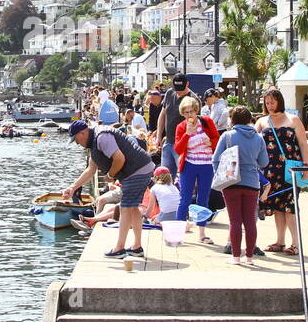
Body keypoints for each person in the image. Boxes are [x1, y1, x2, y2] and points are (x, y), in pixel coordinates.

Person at [64, 120, 155, 259]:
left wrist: (110, 175)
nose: (77, 143)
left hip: (137, 170)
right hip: (141, 169)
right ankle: (136, 247)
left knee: (125, 208)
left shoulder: (102, 137)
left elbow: (119, 158)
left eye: (76, 139)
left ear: (82, 133)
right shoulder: (94, 143)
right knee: (133, 208)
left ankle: (119, 248)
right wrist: (72, 188)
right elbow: (90, 170)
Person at [212, 105, 270, 265]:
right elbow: (264, 162)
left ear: (233, 120)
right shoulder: (259, 138)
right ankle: (250, 257)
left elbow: (215, 159)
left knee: (234, 221)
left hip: (231, 182)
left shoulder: (227, 136)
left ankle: (236, 257)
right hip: (252, 182)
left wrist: (220, 173)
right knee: (250, 221)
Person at [257, 87, 308, 255]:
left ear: (280, 101)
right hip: (270, 169)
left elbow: (303, 143)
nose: (270, 105)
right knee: (277, 206)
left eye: (273, 101)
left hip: (290, 169)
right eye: (267, 102)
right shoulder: (262, 121)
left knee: (289, 206)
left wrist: (306, 166)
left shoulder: (293, 119)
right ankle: (280, 241)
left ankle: (296, 243)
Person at [173, 95, 220, 232]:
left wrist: (210, 143)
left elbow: (217, 139)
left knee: (203, 198)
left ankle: (201, 232)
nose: (189, 115)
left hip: (206, 165)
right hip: (189, 165)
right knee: (185, 198)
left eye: (192, 111)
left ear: (196, 111)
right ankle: (179, 230)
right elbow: (178, 149)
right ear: (183, 114)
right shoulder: (181, 127)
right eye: (186, 112)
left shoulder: (207, 122)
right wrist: (187, 134)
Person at [155, 73, 194, 177]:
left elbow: (194, 124)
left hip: (183, 146)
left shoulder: (193, 99)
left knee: (183, 177)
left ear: (187, 84)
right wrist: (158, 136)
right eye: (177, 88)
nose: (179, 91)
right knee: (164, 177)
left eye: (181, 88)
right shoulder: (169, 93)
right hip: (168, 142)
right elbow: (162, 115)